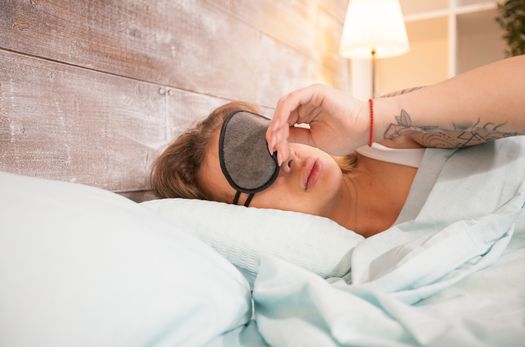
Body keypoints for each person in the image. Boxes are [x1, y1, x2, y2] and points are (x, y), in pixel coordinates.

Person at [150, 55, 525, 237]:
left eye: (267, 142)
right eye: (251, 173)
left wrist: (368, 120)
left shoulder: (388, 137)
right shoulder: (343, 272)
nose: (285, 162)